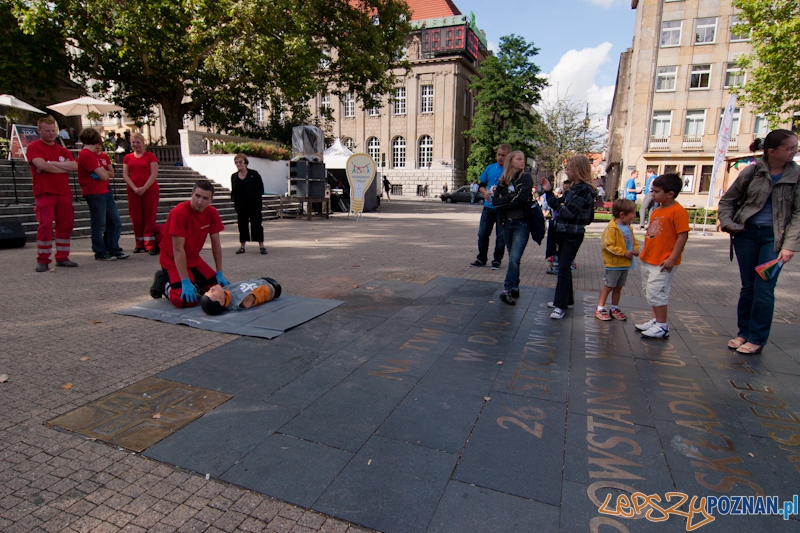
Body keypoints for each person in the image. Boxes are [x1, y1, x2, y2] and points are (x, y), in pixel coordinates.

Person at [718, 130, 799, 355]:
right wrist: (729, 224)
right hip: (747, 235)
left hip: (774, 239)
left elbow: (799, 213)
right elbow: (727, 202)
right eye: (790, 148)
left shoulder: (797, 176)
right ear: (772, 152)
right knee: (749, 287)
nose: (795, 151)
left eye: (795, 146)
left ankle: (757, 338)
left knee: (764, 289)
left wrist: (789, 245)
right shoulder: (752, 172)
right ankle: (743, 332)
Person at [150, 180, 229, 308]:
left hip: (194, 259)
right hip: (172, 261)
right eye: (197, 196)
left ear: (211, 200)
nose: (199, 201)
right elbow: (178, 249)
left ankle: (195, 283)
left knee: (222, 290)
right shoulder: (179, 213)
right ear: (192, 194)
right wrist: (185, 281)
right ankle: (162, 282)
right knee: (185, 300)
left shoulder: (212, 213)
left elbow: (216, 244)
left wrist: (219, 272)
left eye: (205, 198)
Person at [540, 155, 597, 319]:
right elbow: (557, 205)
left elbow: (568, 212)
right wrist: (548, 191)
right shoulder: (573, 188)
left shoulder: (584, 190)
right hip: (564, 232)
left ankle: (560, 305)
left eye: (568, 169)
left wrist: (560, 205)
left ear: (578, 170)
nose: (566, 171)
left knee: (563, 267)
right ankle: (567, 299)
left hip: (572, 234)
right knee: (563, 266)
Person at [635, 173, 689, 339]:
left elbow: (682, 235)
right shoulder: (657, 210)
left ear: (670, 194)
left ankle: (662, 325)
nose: (653, 194)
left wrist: (672, 258)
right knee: (650, 291)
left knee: (657, 292)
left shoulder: (678, 211)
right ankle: (655, 319)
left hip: (663, 261)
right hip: (650, 258)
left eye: (656, 191)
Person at [27, 116, 78, 272]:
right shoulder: (34, 147)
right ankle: (43, 259)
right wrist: (62, 167)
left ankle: (62, 257)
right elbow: (40, 164)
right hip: (45, 192)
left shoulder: (61, 150)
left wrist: (50, 164)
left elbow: (75, 166)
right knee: (46, 225)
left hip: (63, 193)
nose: (50, 133)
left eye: (52, 130)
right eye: (47, 130)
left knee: (65, 225)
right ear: (39, 131)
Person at [76, 128, 128, 261]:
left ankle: (113, 248)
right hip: (94, 192)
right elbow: (104, 175)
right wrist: (103, 173)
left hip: (104, 190)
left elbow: (106, 175)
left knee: (114, 221)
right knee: (99, 223)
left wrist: (104, 174)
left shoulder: (92, 154)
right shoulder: (86, 154)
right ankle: (100, 251)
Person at [492, 151, 533, 305]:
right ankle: (515, 285)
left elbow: (522, 199)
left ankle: (507, 290)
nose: (523, 161)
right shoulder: (503, 181)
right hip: (506, 223)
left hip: (522, 223)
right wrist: (510, 198)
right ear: (511, 162)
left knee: (515, 258)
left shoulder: (526, 178)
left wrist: (505, 201)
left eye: (523, 159)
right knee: (513, 258)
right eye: (519, 159)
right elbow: (495, 202)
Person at [596, 199, 639, 321]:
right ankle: (600, 308)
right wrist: (623, 252)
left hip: (625, 264)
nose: (634, 216)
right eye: (633, 213)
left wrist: (635, 250)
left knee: (618, 287)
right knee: (609, 286)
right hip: (614, 264)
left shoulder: (629, 228)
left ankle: (614, 308)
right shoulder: (612, 228)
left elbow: (633, 242)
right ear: (622, 214)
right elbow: (607, 245)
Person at [471, 144, 510, 269]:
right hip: (488, 207)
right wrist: (485, 192)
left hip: (502, 208)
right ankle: (481, 258)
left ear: (508, 156)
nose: (500, 157)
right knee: (482, 234)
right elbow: (481, 185)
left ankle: (497, 260)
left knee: (501, 236)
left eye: (503, 155)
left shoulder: (510, 171)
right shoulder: (490, 168)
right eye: (498, 154)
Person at [123, 132, 160, 254]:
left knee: (149, 216)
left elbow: (153, 174)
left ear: (143, 143)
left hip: (149, 190)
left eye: (138, 142)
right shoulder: (128, 157)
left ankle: (150, 244)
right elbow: (125, 174)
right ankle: (139, 243)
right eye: (133, 142)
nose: (135, 144)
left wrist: (144, 188)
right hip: (133, 191)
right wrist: (134, 188)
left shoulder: (150, 156)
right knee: (136, 218)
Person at [231, 154, 266, 254]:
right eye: (236, 163)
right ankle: (242, 247)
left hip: (254, 203)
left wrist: (255, 196)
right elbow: (234, 190)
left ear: (246, 163)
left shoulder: (254, 174)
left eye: (240, 162)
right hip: (241, 204)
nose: (238, 164)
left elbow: (261, 188)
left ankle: (261, 246)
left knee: (256, 224)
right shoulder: (234, 176)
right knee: (242, 225)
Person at [200, 278, 282, 315]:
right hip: (272, 286)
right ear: (221, 301)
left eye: (208, 291)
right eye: (213, 293)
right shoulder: (240, 301)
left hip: (259, 280)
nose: (211, 288)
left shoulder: (224, 292)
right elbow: (246, 303)